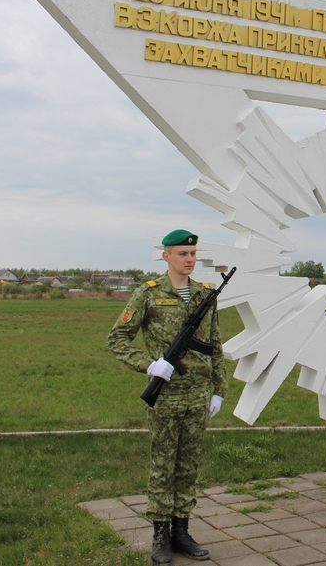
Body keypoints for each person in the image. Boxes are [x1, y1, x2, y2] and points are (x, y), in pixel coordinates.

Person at [107, 229, 227, 563]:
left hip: (198, 395)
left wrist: (219, 389)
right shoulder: (148, 294)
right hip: (167, 397)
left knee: (188, 467)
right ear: (166, 257)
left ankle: (182, 533)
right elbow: (116, 339)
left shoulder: (206, 294)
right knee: (163, 466)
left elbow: (215, 345)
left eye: (192, 254)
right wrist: (149, 366)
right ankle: (160, 536)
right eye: (182, 254)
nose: (189, 260)